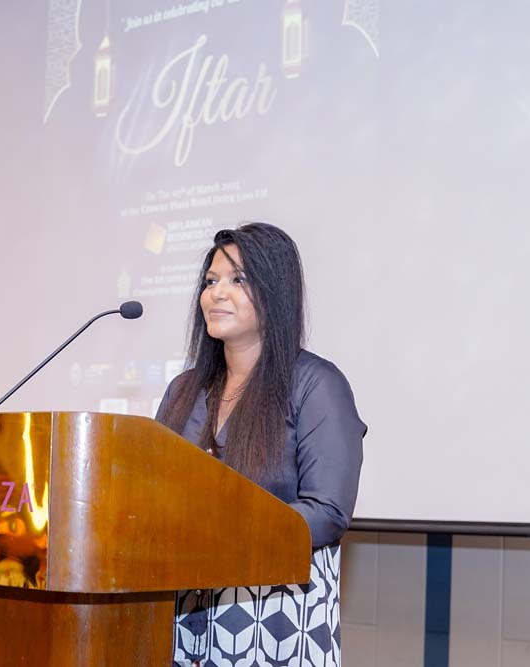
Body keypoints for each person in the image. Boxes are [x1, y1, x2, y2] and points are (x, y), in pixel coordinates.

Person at [155, 223, 365, 666]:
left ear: (275, 293)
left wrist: (225, 534)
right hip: (181, 620)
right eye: (211, 281)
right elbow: (152, 493)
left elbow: (328, 511)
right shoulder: (183, 391)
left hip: (275, 624)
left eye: (238, 280)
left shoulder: (315, 385)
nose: (216, 293)